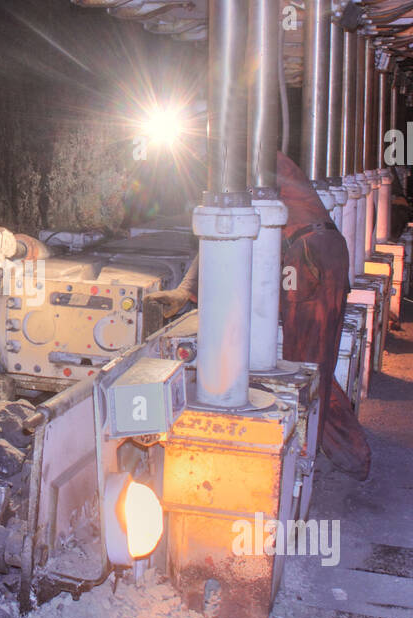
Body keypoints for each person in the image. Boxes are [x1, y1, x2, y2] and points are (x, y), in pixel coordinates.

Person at [145, 150, 372, 478]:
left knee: (303, 368)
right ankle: (333, 451)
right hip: (320, 253)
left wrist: (188, 290)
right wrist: (188, 290)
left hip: (307, 259)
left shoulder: (245, 158)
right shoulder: (256, 153)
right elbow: (224, 225)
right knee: (314, 363)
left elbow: (224, 224)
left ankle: (334, 456)